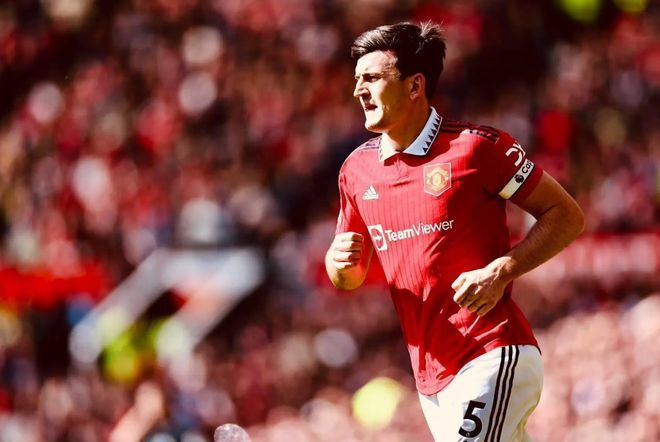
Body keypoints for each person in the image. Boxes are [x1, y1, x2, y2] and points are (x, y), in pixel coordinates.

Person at [325, 22, 584, 442]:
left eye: (371, 78)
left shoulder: (476, 148)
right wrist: (337, 264)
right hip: (431, 379)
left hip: (492, 353)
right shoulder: (356, 170)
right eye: (357, 80)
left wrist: (501, 271)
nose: (358, 91)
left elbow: (566, 215)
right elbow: (348, 275)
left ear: (415, 86)